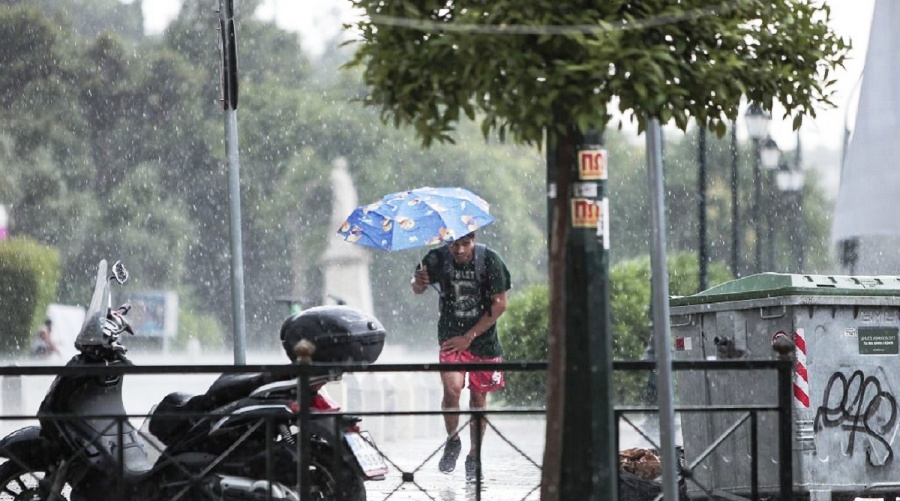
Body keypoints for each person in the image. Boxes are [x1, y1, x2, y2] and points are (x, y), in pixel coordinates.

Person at [410, 231, 511, 483]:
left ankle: (474, 455)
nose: (460, 250)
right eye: (455, 244)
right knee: (452, 389)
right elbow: (417, 288)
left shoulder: (490, 260)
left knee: (478, 399)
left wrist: (470, 335)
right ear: (447, 243)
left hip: (484, 341)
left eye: (466, 244)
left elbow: (500, 303)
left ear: (474, 240)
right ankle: (452, 439)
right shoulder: (436, 259)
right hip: (450, 337)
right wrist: (419, 282)